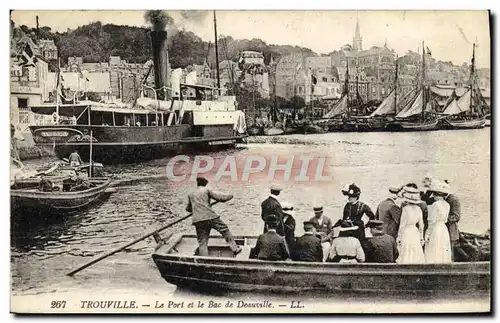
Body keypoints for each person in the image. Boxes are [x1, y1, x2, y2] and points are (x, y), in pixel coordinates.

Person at [186, 177, 242, 257]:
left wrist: (198, 208)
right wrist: (231, 196)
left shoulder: (191, 194)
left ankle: (204, 259)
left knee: (202, 241)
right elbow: (220, 198)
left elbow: (188, 209)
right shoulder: (206, 190)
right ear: (205, 184)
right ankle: (235, 248)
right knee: (224, 229)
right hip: (210, 216)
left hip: (197, 220)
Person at [396, 185, 426, 264]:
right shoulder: (419, 209)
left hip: (407, 231)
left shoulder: (405, 209)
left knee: (406, 249)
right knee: (415, 249)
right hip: (415, 231)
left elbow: (402, 225)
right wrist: (421, 237)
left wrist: (399, 237)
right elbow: (421, 225)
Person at [424, 181, 452, 264]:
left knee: (435, 248)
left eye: (434, 195)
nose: (433, 197)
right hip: (443, 228)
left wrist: (427, 234)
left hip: (436, 228)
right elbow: (446, 220)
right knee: (443, 248)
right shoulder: (447, 205)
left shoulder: (435, 204)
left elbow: (432, 221)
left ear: (437, 195)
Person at [443, 180, 461, 260]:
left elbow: (456, 216)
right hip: (442, 230)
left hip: (450, 230)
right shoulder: (441, 199)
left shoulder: (454, 200)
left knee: (450, 253)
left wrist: (442, 219)